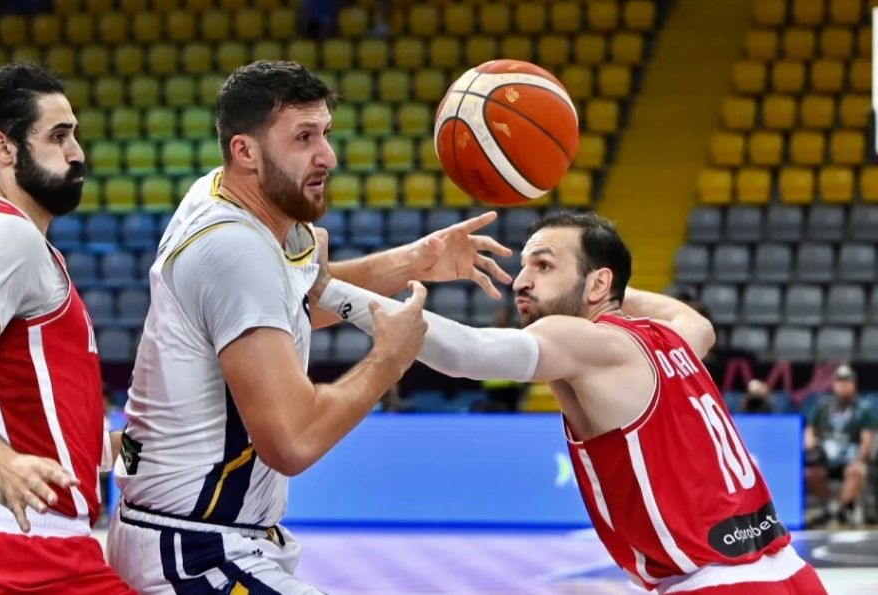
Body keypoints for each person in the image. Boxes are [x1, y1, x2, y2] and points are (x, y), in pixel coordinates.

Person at [107, 60, 510, 593]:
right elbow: (292, 442)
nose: (328, 156)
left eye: (325, 133)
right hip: (195, 552)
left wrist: (414, 261)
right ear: (244, 151)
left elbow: (290, 301)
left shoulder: (227, 197)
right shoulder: (235, 250)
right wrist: (390, 358)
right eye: (303, 137)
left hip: (191, 535)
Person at [314, 211, 827, 594]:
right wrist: (607, 286)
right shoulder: (673, 338)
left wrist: (327, 289)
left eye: (544, 265)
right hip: (791, 573)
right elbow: (697, 321)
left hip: (717, 583)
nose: (521, 280)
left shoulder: (587, 339)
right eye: (524, 265)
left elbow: (464, 352)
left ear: (597, 282)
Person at [0, 63, 133, 592]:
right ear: (3, 148)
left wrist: (142, 445)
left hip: (43, 544)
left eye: (76, 136)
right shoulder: (7, 237)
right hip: (23, 547)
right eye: (58, 136)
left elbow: (59, 440)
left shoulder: (26, 246)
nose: (77, 154)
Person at [804, 364, 876, 527]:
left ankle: (840, 510)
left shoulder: (864, 408)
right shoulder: (823, 407)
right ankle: (830, 507)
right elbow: (810, 430)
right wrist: (810, 442)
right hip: (825, 458)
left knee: (857, 471)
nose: (843, 385)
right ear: (834, 385)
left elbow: (867, 439)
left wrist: (859, 459)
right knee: (809, 473)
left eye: (847, 382)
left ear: (854, 384)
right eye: (840, 382)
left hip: (850, 458)